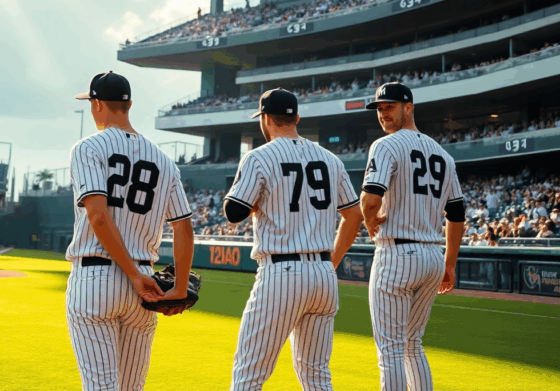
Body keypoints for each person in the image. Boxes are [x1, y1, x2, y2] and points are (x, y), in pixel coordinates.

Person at [223, 88, 363, 390]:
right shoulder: (330, 159)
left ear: (264, 119)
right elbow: (354, 215)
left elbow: (233, 212)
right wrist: (331, 262)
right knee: (316, 377)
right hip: (323, 275)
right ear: (296, 118)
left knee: (248, 373)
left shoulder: (259, 157)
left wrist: (257, 199)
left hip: (282, 273)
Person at [66, 71, 195, 391]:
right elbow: (184, 226)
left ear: (96, 104)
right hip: (146, 286)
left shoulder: (88, 148)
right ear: (129, 105)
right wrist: (178, 287)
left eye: (91, 104)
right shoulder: (164, 161)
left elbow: (98, 217)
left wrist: (133, 277)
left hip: (96, 281)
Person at [361, 82, 465, 391]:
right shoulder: (443, 155)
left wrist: (369, 220)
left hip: (397, 254)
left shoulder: (386, 145)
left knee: (391, 348)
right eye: (380, 109)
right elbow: (457, 214)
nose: (383, 114)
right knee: (411, 343)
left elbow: (370, 198)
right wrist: (450, 264)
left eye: (390, 107)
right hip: (432, 257)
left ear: (409, 107)